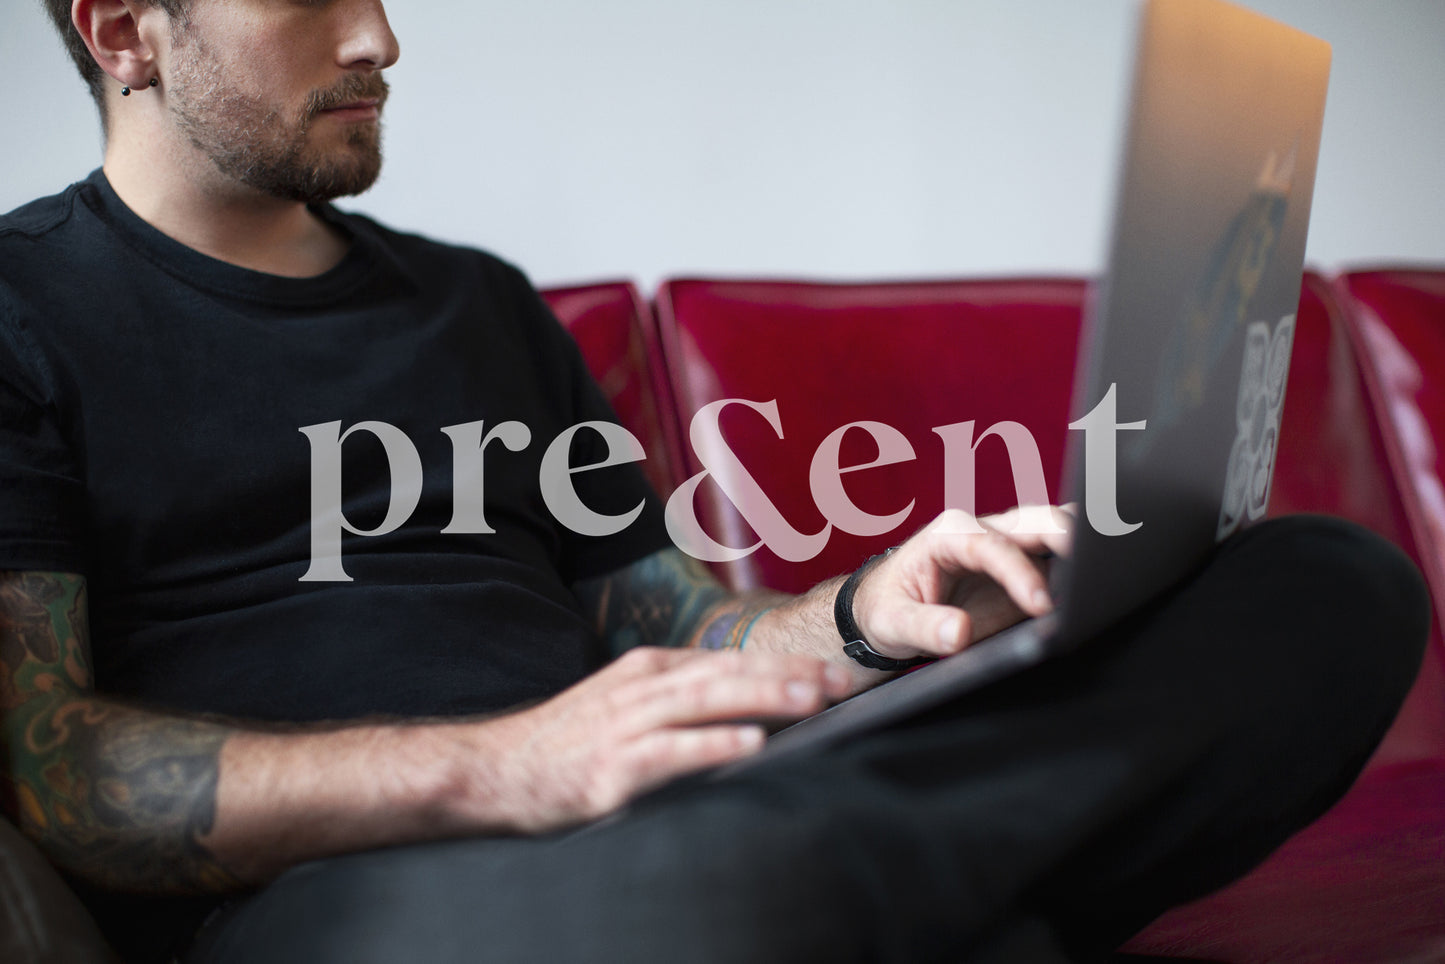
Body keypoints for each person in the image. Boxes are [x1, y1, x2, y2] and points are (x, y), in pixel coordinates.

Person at [0, 1, 1428, 962]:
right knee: (723, 877)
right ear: (126, 29)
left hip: (695, 800)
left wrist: (876, 616)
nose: (380, 34)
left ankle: (881, 877)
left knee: (1328, 586)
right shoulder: (21, 309)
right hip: (354, 889)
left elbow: (676, 624)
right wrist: (503, 768)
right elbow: (57, 774)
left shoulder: (478, 308)